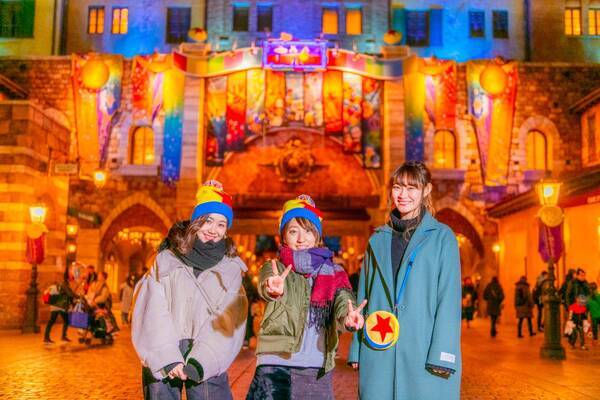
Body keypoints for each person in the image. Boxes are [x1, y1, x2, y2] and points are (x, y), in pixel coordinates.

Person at [348, 161, 462, 400]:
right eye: (398, 187)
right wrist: (357, 349)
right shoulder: (376, 240)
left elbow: (449, 300)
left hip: (422, 351)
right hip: (379, 347)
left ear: (426, 190)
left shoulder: (442, 238)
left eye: (412, 188)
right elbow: (363, 299)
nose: (403, 195)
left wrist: (443, 354)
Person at [132, 180, 248, 400]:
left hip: (207, 358)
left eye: (221, 224)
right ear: (196, 222)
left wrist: (201, 361)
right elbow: (152, 308)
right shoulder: (166, 259)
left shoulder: (231, 270)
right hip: (163, 352)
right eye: (208, 221)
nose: (213, 230)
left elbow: (228, 320)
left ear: (226, 230)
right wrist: (167, 356)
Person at [246, 195, 365, 400]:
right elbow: (267, 285)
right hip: (276, 363)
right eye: (293, 231)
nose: (301, 239)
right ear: (283, 237)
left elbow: (343, 299)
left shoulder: (335, 271)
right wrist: (274, 288)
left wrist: (348, 316)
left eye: (308, 230)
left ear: (317, 235)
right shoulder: (275, 267)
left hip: (315, 364)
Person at [43, 279, 74, 344]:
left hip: (53, 306)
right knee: (66, 321)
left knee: (51, 321)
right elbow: (70, 295)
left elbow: (45, 294)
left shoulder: (51, 287)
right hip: (61, 306)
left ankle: (46, 337)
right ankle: (63, 336)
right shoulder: (63, 287)